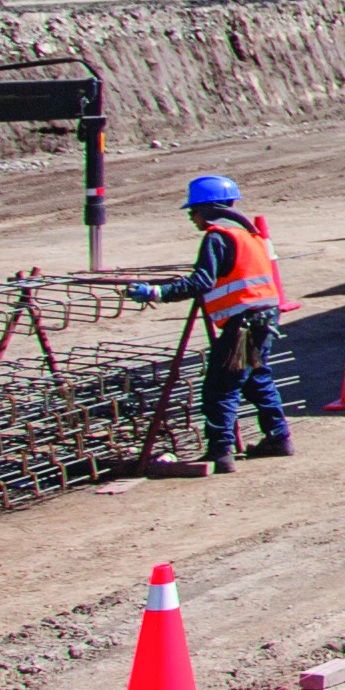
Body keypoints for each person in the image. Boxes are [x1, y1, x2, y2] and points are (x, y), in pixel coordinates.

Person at [126, 175, 293, 471]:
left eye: (193, 211)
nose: (192, 218)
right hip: (264, 318)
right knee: (257, 379)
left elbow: (201, 282)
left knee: (221, 387)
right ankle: (279, 438)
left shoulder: (216, 237)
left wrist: (157, 292)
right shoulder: (250, 235)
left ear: (208, 208)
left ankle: (220, 452)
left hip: (242, 323)